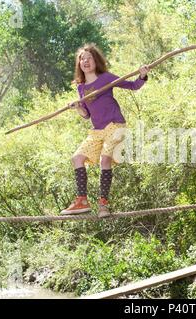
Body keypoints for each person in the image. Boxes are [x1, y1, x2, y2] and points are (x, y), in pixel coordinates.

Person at [61, 43, 149, 216]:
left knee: (105, 160)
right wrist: (78, 107)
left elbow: (133, 86)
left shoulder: (106, 78)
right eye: (82, 59)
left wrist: (142, 75)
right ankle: (82, 201)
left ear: (96, 61)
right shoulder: (81, 87)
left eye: (89, 58)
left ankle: (103, 204)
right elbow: (86, 114)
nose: (85, 61)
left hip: (115, 125)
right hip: (97, 130)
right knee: (77, 158)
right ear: (79, 64)